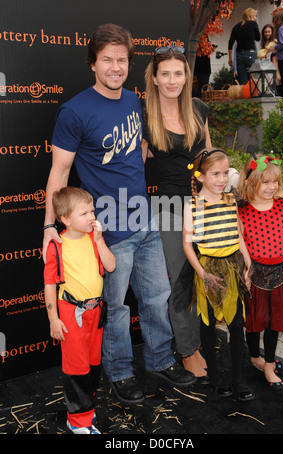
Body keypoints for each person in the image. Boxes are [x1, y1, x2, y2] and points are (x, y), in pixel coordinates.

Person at [42, 23, 196, 407]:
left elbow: (139, 151)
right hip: (107, 228)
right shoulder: (74, 111)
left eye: (122, 60)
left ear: (130, 63)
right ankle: (121, 373)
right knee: (117, 309)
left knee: (157, 297)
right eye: (107, 59)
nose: (115, 66)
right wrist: (49, 224)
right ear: (93, 63)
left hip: (144, 218)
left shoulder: (133, 101)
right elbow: (59, 173)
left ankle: (160, 360)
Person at [142, 46, 211, 379]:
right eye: (165, 74)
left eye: (178, 73)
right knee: (181, 281)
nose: (172, 80)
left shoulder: (199, 108)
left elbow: (209, 155)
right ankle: (187, 348)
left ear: (187, 76)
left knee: (205, 272)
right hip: (170, 209)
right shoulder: (146, 117)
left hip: (205, 205)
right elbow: (134, 167)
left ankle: (201, 339)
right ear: (154, 78)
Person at [182, 148, 255, 401]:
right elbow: (186, 244)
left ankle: (238, 379)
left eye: (225, 173)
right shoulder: (192, 205)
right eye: (216, 174)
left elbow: (239, 237)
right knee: (208, 323)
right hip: (208, 270)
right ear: (201, 177)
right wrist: (202, 273)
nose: (223, 179)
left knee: (236, 325)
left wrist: (248, 264)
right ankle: (214, 376)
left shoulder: (230, 200)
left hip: (233, 267)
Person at [44, 187, 116, 434]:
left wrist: (98, 241)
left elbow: (111, 265)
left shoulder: (94, 238)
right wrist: (54, 319)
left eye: (92, 210)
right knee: (77, 368)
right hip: (70, 313)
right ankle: (77, 421)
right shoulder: (57, 245)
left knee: (93, 363)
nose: (91, 217)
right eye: (84, 213)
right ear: (65, 219)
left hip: (95, 311)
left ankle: (86, 409)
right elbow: (50, 285)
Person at [238, 156, 283, 389]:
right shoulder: (242, 210)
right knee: (254, 322)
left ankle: (269, 363)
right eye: (265, 182)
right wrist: (246, 269)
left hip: (280, 273)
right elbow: (240, 242)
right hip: (255, 274)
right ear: (251, 182)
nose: (272, 187)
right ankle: (255, 356)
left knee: (275, 321)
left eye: (275, 182)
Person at [228, 8, 260, 85]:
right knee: (253, 80)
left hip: (239, 56)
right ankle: (253, 95)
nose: (255, 18)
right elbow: (258, 38)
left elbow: (230, 43)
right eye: (255, 16)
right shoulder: (253, 24)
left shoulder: (236, 26)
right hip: (250, 54)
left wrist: (230, 58)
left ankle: (244, 96)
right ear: (251, 16)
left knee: (242, 82)